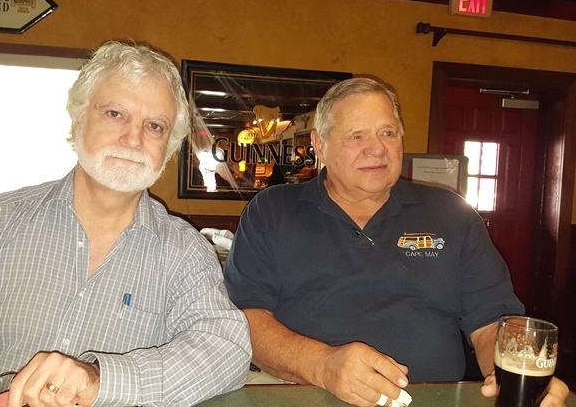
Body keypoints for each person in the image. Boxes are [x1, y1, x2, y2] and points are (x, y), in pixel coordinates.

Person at [0, 41, 251, 407]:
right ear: (77, 122)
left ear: (168, 147)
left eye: (154, 125)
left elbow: (227, 351)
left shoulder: (185, 251)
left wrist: (97, 380)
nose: (133, 139)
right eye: (115, 114)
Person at [222, 76, 569, 407]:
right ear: (320, 146)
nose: (377, 149)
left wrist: (514, 372)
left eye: (388, 132)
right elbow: (244, 318)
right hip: (303, 394)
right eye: (356, 136)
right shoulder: (272, 211)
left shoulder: (453, 213)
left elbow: (493, 322)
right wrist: (322, 366)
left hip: (431, 400)